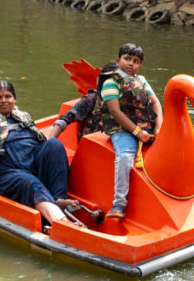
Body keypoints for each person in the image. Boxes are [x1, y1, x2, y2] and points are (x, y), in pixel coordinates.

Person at [0, 80, 76, 226]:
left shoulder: (24, 116)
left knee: (54, 144)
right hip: (4, 172)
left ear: (14, 99)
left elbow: (40, 142)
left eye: (8, 96)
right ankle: (61, 222)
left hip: (31, 164)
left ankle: (58, 199)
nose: (4, 101)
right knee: (29, 181)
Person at [95, 43, 163, 220]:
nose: (131, 63)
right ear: (118, 61)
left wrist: (159, 127)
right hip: (123, 129)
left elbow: (155, 103)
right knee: (125, 156)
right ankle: (119, 202)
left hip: (146, 125)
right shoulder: (111, 82)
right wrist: (137, 131)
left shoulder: (142, 81)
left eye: (136, 61)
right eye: (127, 59)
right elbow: (115, 111)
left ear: (140, 66)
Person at [45, 62, 116, 140]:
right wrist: (50, 143)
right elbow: (64, 119)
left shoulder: (127, 103)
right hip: (90, 147)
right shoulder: (91, 99)